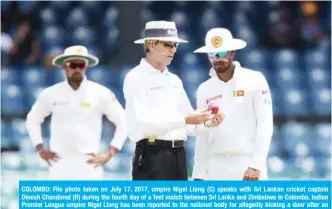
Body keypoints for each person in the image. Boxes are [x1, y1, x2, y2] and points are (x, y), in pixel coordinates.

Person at [123, 21, 224, 180]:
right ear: (150, 44)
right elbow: (142, 125)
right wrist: (186, 120)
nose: (173, 50)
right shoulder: (135, 78)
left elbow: (189, 125)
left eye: (175, 45)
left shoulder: (174, 80)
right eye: (168, 44)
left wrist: (207, 122)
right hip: (151, 155)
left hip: (178, 155)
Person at [26, 45, 127, 180]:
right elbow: (33, 119)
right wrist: (40, 148)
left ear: (86, 67)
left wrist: (110, 153)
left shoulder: (100, 93)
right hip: (59, 164)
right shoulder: (51, 93)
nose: (78, 69)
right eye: (73, 65)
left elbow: (124, 120)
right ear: (64, 66)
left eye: (82, 65)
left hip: (90, 165)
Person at [192, 28, 273, 180]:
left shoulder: (255, 79)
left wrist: (257, 165)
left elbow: (265, 124)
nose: (217, 58)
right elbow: (202, 135)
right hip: (215, 168)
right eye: (212, 54)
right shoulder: (204, 89)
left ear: (232, 52)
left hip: (247, 163)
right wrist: (198, 174)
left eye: (222, 53)